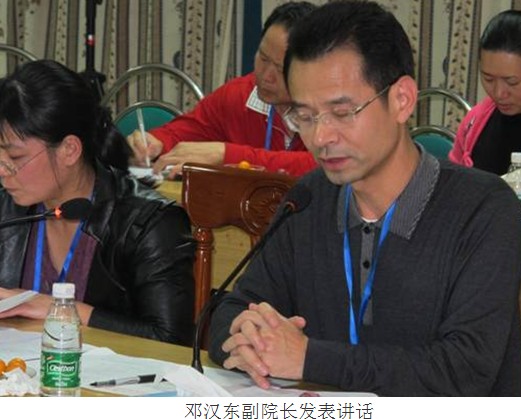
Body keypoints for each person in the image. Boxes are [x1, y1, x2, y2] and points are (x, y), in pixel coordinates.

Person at [208, 1, 521, 396]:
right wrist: (248, 337)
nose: (321, 137)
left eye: (342, 112)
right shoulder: (308, 200)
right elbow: (232, 312)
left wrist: (309, 358)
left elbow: (464, 373)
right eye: (305, 116)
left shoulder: (485, 210)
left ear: (402, 100)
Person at [0, 60, 195, 345]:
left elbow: (170, 339)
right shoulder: (7, 208)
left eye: (14, 158)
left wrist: (62, 309)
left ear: (69, 150)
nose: (2, 171)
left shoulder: (149, 223)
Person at [127, 1, 318, 178]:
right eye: (263, 58)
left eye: (280, 68)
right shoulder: (238, 95)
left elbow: (322, 165)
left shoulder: (328, 107)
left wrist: (227, 156)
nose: (266, 76)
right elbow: (182, 133)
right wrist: (153, 144)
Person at [449, 10, 521, 175]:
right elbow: (455, 181)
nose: (499, 93)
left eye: (511, 82)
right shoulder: (474, 122)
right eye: (488, 79)